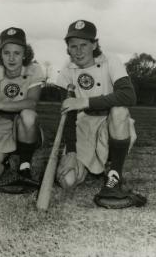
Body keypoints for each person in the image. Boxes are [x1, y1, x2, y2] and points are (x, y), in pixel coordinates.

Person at [54, 20, 146, 208]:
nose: (78, 51)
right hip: (84, 124)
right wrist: (71, 151)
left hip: (109, 122)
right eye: (73, 47)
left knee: (120, 111)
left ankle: (114, 176)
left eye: (84, 45)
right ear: (68, 48)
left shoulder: (110, 60)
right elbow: (69, 115)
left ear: (94, 44)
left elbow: (128, 96)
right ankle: (95, 167)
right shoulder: (66, 70)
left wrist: (85, 101)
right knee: (67, 181)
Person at [0, 27, 45, 181]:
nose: (12, 58)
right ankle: (5, 159)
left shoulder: (34, 70)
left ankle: (24, 165)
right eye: (7, 53)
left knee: (28, 115)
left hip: (24, 125)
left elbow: (32, 102)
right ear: (0, 55)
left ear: (25, 55)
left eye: (17, 53)